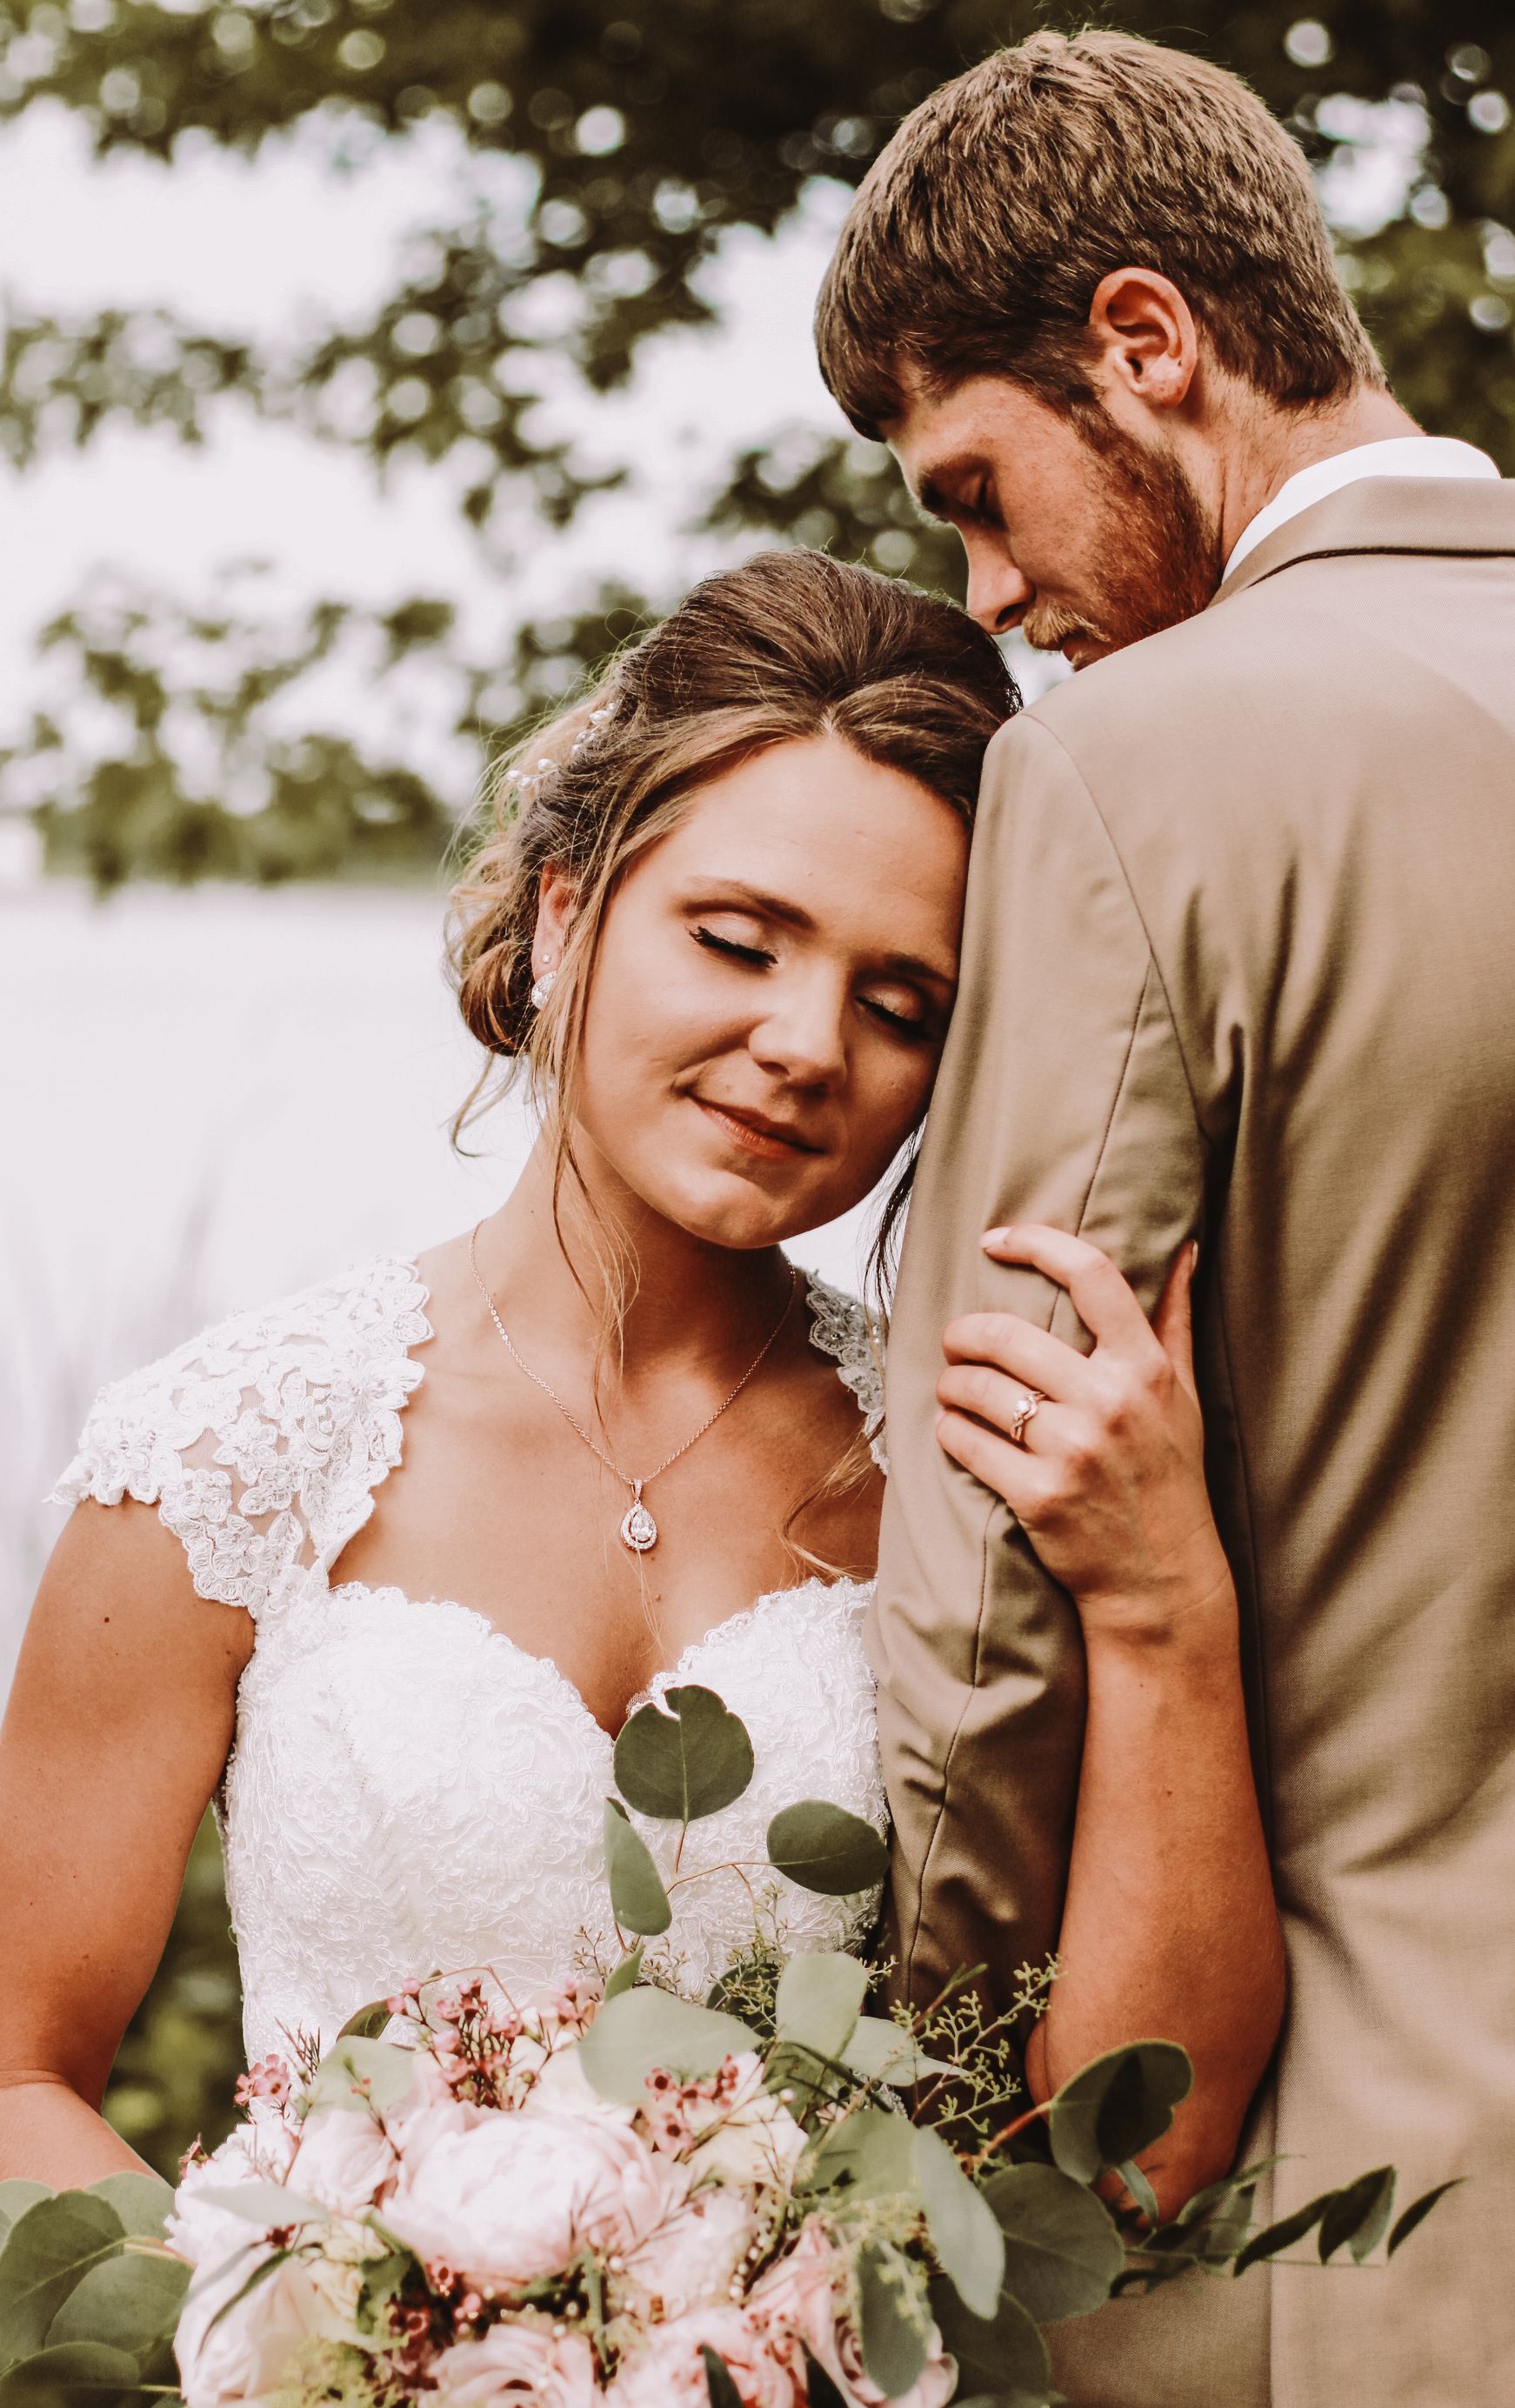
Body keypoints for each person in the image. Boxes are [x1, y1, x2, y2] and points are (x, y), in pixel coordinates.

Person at [0, 550, 1279, 2243]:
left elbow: (1139, 2156)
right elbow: (18, 2076)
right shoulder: (228, 1461)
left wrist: (1167, 1608)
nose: (809, 1042)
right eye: (738, 940)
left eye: (902, 1006)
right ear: (562, 910)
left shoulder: (962, 1472)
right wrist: (307, 2389)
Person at [816, 29, 1515, 2408]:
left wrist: (982, 2163)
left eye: (976, 488)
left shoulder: (1138, 772)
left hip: (1367, 2273)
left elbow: (985, 1601)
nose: (984, 590)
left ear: (1146, 343)